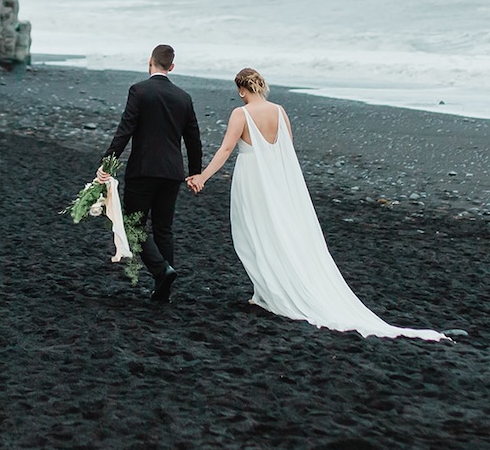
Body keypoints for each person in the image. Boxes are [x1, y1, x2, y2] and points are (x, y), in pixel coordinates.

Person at [187, 68, 448, 341]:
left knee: (254, 233)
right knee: (279, 231)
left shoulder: (241, 114)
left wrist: (203, 176)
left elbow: (226, 149)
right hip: (275, 180)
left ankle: (266, 291)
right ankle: (265, 290)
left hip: (251, 180)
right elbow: (286, 150)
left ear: (241, 90)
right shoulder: (279, 112)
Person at [100, 44, 203, 302]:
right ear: (172, 67)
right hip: (172, 172)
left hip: (143, 170)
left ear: (150, 62)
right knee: (163, 229)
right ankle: (163, 289)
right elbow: (193, 139)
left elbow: (125, 130)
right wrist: (194, 172)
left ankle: (161, 270)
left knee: (133, 225)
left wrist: (107, 163)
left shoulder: (139, 91)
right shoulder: (183, 97)